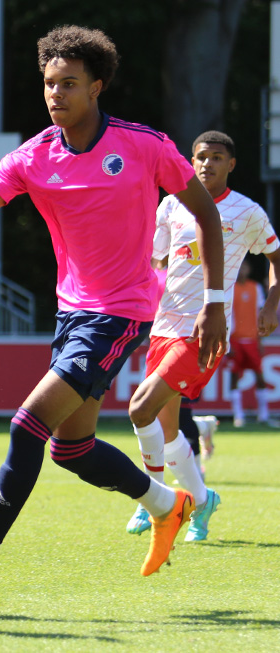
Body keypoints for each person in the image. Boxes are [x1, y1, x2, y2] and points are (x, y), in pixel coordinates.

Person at [0, 25, 227, 603]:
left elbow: (206, 216)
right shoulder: (35, 156)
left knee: (27, 425)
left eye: (69, 84)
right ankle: (169, 504)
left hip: (122, 312)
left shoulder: (144, 146)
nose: (56, 95)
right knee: (71, 449)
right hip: (72, 315)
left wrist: (215, 303)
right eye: (49, 83)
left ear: (97, 87)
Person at [125, 130, 280, 543]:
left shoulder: (247, 213)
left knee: (140, 407)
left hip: (204, 332)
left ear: (231, 164)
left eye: (216, 157)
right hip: (163, 327)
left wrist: (270, 304)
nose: (206, 164)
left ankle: (155, 501)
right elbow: (154, 263)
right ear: (190, 162)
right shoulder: (172, 205)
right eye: (200, 157)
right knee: (169, 429)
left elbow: (276, 258)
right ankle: (202, 500)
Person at [228, 259, 278, 427]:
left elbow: (260, 314)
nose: (242, 270)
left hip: (252, 339)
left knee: (260, 376)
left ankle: (263, 415)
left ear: (249, 269)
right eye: (240, 267)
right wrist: (227, 341)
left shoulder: (255, 288)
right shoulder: (230, 289)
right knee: (234, 377)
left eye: (245, 266)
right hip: (235, 339)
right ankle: (238, 416)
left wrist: (260, 340)